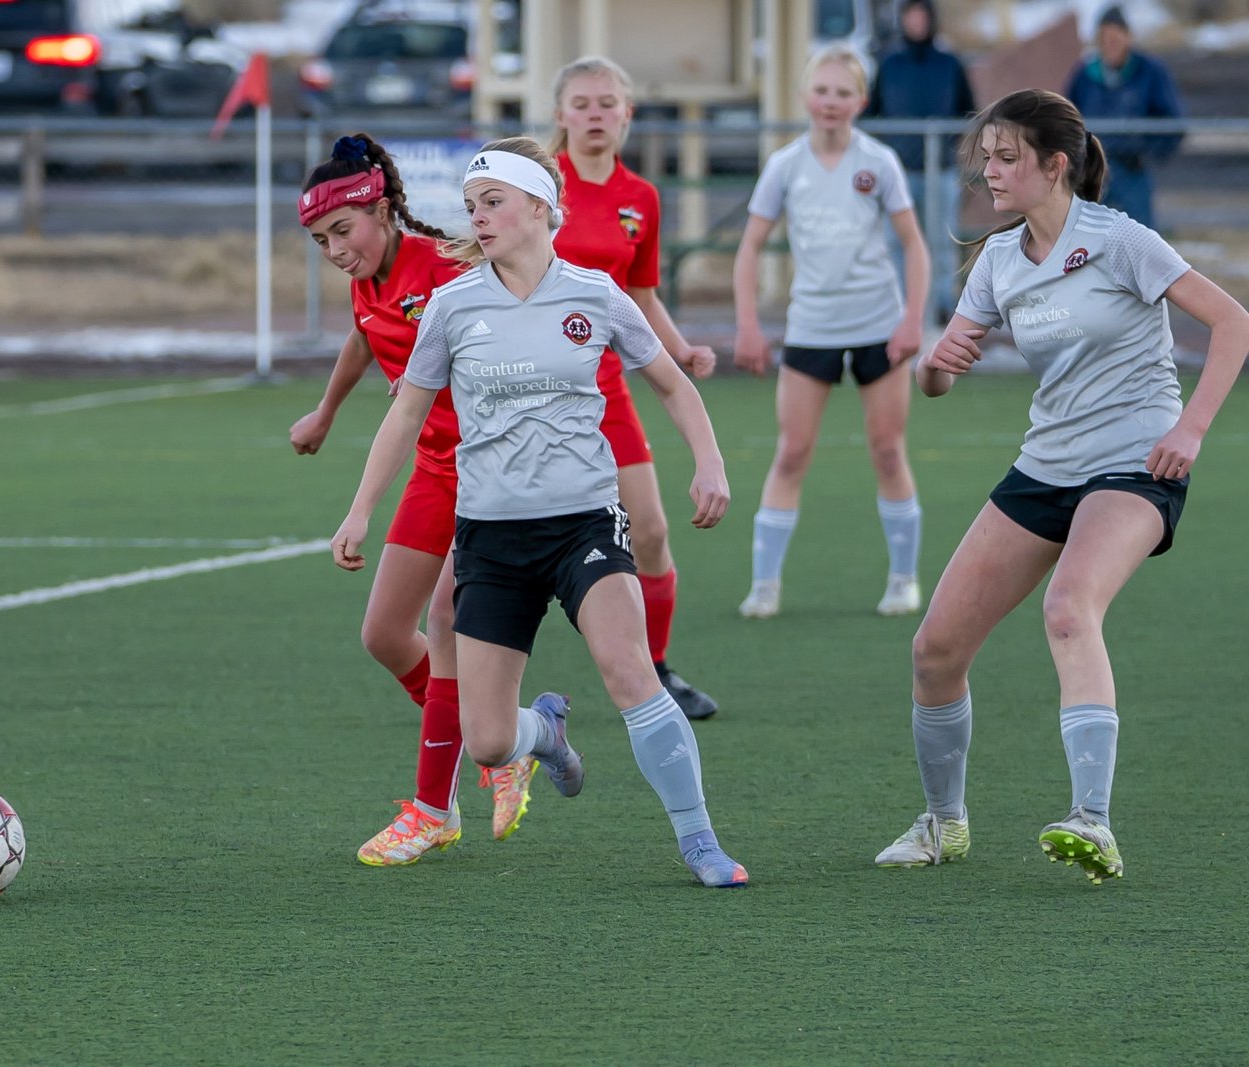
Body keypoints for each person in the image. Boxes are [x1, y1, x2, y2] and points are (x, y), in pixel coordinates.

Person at [331, 136, 749, 887]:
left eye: (492, 202)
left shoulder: (596, 294)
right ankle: (544, 732)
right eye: (471, 205)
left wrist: (710, 461)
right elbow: (405, 416)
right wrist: (360, 510)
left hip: (583, 523)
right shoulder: (452, 306)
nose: (477, 217)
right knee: (490, 741)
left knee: (630, 672)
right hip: (490, 539)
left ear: (539, 207)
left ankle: (701, 843)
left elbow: (672, 383)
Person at [874, 89, 1248, 883]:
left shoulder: (1120, 240)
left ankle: (1092, 820)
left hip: (1135, 465)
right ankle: (943, 823)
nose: (989, 170)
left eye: (1007, 157)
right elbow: (940, 376)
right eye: (986, 156)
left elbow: (1233, 321)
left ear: (1055, 165)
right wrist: (936, 367)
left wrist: (1189, 430)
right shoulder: (999, 259)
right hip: (1046, 465)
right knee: (935, 649)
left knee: (1069, 607)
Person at [291, 134, 536, 865]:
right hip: (435, 468)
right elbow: (364, 339)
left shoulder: (448, 268)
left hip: (493, 471)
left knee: (446, 620)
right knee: (384, 634)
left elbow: (522, 330)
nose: (335, 250)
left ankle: (434, 809)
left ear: (382, 210)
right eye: (320, 241)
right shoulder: (368, 282)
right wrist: (326, 412)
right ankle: (507, 739)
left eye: (343, 230)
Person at [733, 43, 931, 619]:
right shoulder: (785, 166)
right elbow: (750, 248)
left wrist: (912, 320)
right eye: (821, 90)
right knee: (792, 452)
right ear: (804, 96)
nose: (831, 101)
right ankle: (764, 586)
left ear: (860, 101)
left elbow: (914, 245)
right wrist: (748, 325)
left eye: (843, 92)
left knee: (888, 450)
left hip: (878, 327)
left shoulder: (879, 162)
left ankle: (904, 580)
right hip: (811, 327)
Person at [549, 55, 720, 720]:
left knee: (648, 531)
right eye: (581, 103)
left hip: (605, 391)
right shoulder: (538, 187)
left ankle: (658, 669)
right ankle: (473, 681)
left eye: (606, 103)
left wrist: (681, 350)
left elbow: (641, 295)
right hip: (529, 392)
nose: (594, 115)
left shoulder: (641, 197)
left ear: (628, 114)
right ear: (560, 114)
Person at [866, 0, 975, 316]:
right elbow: (872, 112)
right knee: (896, 241)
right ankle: (899, 305)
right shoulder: (889, 63)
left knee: (941, 241)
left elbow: (967, 109)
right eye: (911, 16)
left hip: (940, 170)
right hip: (900, 172)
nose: (916, 22)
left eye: (921, 16)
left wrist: (946, 144)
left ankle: (942, 305)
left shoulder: (949, 63)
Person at [1064, 5, 1183, 230]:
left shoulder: (1149, 71)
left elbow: (1172, 120)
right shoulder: (1085, 74)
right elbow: (1066, 116)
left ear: (1128, 37)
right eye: (1105, 39)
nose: (1111, 45)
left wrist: (1146, 150)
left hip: (1132, 169)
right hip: (1093, 169)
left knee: (1138, 233)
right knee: (1089, 232)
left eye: (1116, 39)